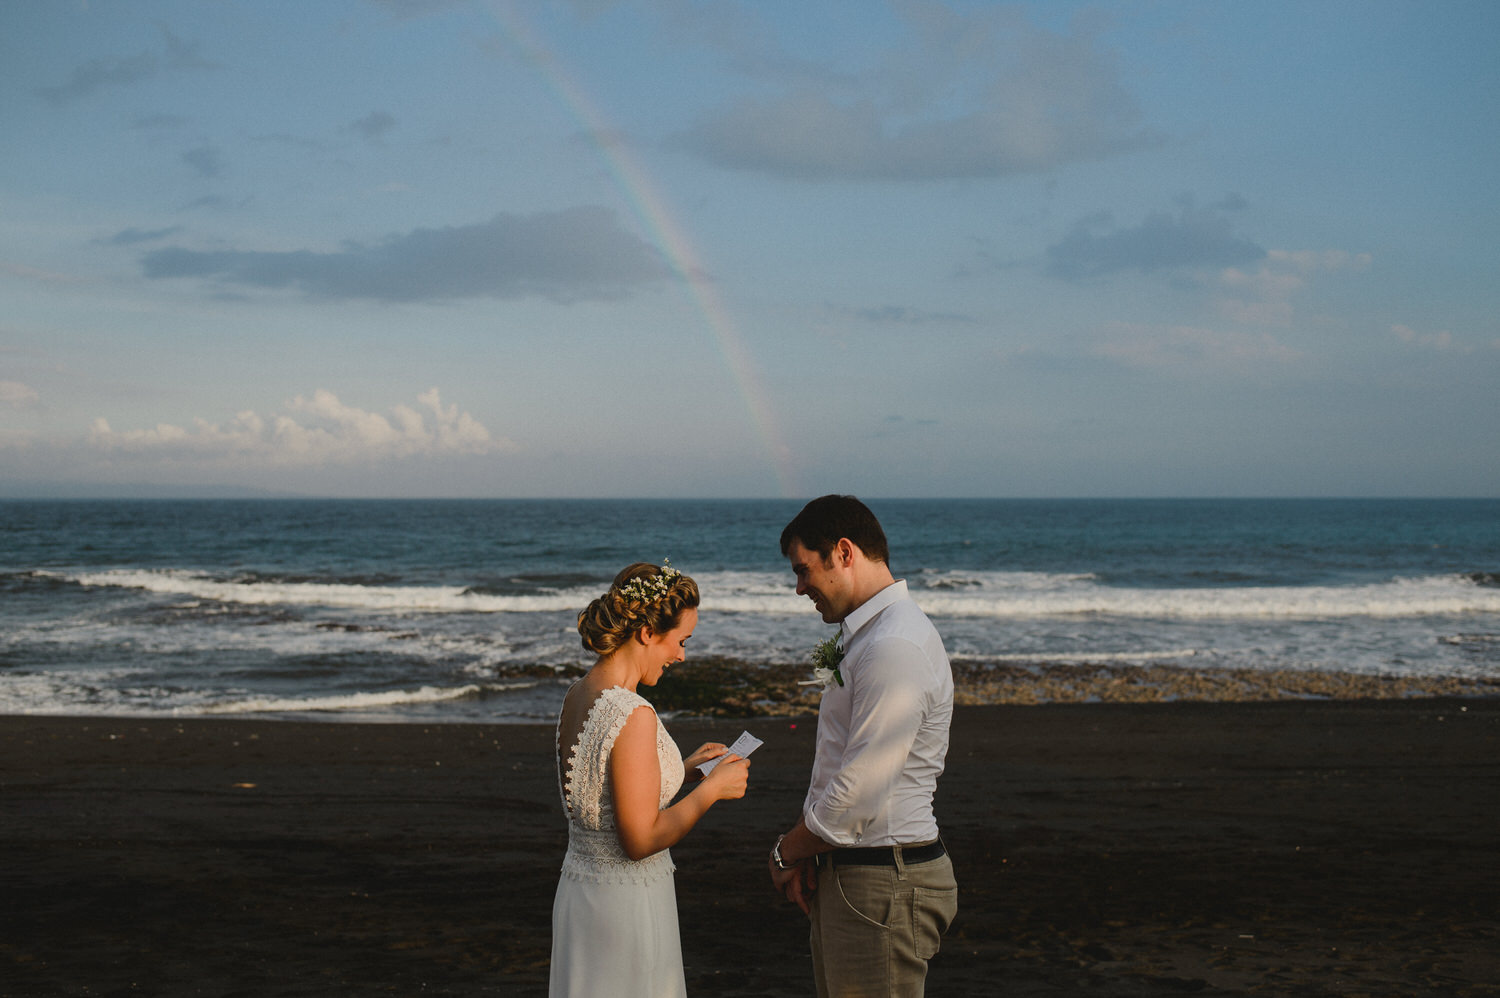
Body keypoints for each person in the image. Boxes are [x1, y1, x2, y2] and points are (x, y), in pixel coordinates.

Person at [767, 495, 958, 997]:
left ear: (845, 552)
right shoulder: (866, 638)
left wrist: (787, 851)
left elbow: (861, 791)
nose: (799, 587)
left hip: (883, 882)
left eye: (805, 569)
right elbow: (838, 757)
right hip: (858, 872)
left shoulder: (893, 645)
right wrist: (815, 851)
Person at [550, 562, 751, 998]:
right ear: (646, 632)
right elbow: (639, 839)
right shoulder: (633, 713)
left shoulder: (578, 695)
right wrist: (710, 791)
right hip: (626, 905)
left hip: (581, 895)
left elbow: (607, 793)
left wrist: (685, 766)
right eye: (680, 641)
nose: (681, 655)